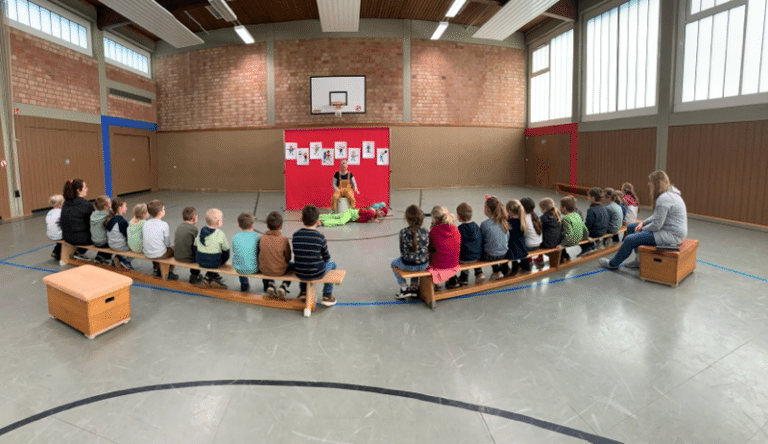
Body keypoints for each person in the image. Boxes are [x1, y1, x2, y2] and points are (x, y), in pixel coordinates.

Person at [600, 171, 687, 270]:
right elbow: (656, 217)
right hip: (668, 229)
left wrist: (642, 229)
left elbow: (657, 225)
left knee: (629, 239)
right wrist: (642, 223)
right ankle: (638, 260)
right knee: (631, 227)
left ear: (657, 183)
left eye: (651, 182)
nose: (649, 184)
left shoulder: (664, 199)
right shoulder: (668, 195)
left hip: (672, 235)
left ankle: (613, 264)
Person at [293, 204, 337, 306]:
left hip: (299, 272)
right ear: (317, 221)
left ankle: (303, 291)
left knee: (303, 262)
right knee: (332, 263)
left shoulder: (295, 235)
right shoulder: (320, 237)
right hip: (317, 272)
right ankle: (327, 295)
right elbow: (326, 257)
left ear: (301, 219)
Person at [391, 204, 429, 299]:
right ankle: (414, 287)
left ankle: (404, 288)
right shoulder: (425, 231)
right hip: (423, 265)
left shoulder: (403, 232)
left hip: (407, 265)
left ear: (406, 219)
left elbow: (402, 251)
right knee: (417, 259)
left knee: (393, 264)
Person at [446, 202, 483, 288]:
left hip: (464, 258)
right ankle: (479, 271)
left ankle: (464, 277)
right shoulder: (476, 226)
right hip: (477, 256)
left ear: (459, 216)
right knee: (470, 251)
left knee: (463, 254)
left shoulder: (460, 229)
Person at [258, 211, 293, 300]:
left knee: (267, 261)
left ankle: (269, 284)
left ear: (267, 225)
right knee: (293, 266)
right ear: (281, 225)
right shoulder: (284, 239)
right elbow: (288, 258)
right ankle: (284, 285)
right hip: (279, 271)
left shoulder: (262, 237)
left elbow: (259, 253)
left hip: (264, 270)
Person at [143, 199, 178, 280]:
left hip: (147, 252)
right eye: (163, 209)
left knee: (156, 246)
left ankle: (156, 266)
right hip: (159, 253)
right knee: (172, 250)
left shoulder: (145, 223)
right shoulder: (164, 225)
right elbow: (167, 243)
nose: (164, 211)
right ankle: (168, 271)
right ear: (160, 212)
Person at [194, 208, 230, 289]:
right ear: (218, 222)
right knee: (218, 257)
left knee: (209, 255)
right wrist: (224, 260)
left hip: (200, 260)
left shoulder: (201, 231)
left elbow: (195, 246)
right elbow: (226, 250)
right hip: (214, 262)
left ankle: (210, 275)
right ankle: (212, 277)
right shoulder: (220, 234)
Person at [427, 206, 461, 289]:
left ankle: (437, 283)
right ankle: (452, 278)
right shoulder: (455, 228)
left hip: (438, 266)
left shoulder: (434, 231)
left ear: (433, 218)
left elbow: (430, 249)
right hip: (454, 264)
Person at [60, 179, 93, 260]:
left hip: (66, 237)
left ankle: (78, 252)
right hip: (81, 239)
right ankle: (103, 256)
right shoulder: (86, 204)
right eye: (85, 187)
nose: (87, 189)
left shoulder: (66, 203)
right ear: (78, 190)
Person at [480, 196, 510, 279]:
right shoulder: (504, 222)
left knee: (487, 249)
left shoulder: (485, 224)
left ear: (487, 209)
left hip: (491, 256)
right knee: (495, 245)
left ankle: (496, 271)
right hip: (504, 253)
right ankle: (504, 268)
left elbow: (482, 241)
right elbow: (507, 238)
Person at [174, 207, 203, 285]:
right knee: (199, 253)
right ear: (194, 217)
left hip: (177, 256)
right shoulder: (194, 229)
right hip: (188, 258)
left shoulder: (179, 226)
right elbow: (197, 245)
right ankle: (194, 275)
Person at [232, 212, 259, 293]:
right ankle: (267, 284)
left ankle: (244, 283)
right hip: (254, 268)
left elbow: (235, 251)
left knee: (240, 261)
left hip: (239, 268)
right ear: (252, 225)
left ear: (238, 225)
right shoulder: (256, 237)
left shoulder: (235, 237)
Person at [579, 187, 609, 256]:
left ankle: (586, 247)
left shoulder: (591, 210)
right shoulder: (604, 207)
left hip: (595, 233)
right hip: (604, 230)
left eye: (589, 196)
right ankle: (593, 244)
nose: (588, 198)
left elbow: (588, 224)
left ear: (592, 198)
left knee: (577, 232)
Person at [105, 197, 133, 269]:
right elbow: (128, 236)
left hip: (111, 245)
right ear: (120, 208)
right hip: (120, 247)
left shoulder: (110, 219)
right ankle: (125, 261)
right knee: (136, 246)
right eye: (125, 206)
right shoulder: (122, 221)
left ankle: (118, 257)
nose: (126, 208)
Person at [559, 195, 588, 262]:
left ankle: (561, 258)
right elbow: (584, 228)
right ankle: (565, 255)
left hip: (571, 241)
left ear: (564, 208)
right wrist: (587, 237)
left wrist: (561, 245)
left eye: (560, 206)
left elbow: (569, 234)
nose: (559, 208)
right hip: (579, 238)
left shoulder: (565, 218)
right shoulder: (577, 215)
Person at [506, 199, 531, 275]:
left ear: (509, 210)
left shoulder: (509, 222)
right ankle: (526, 267)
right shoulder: (523, 221)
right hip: (523, 251)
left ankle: (508, 268)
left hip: (512, 253)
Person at [90, 195, 113, 264]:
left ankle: (100, 255)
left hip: (94, 241)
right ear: (105, 207)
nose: (111, 203)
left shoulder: (93, 214)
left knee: (101, 236)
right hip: (103, 243)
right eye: (110, 202)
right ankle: (108, 257)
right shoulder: (107, 216)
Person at [318, 205, 387, 227]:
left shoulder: (374, 213)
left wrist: (373, 219)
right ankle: (322, 222)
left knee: (337, 216)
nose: (380, 215)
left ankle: (320, 217)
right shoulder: (372, 212)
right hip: (351, 214)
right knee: (341, 221)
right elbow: (361, 216)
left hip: (351, 212)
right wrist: (370, 219)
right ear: (379, 209)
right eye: (381, 212)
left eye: (382, 215)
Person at [46, 194, 64, 262]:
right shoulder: (61, 212)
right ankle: (60, 253)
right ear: (59, 203)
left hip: (49, 234)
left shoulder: (49, 212)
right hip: (58, 235)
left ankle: (55, 251)